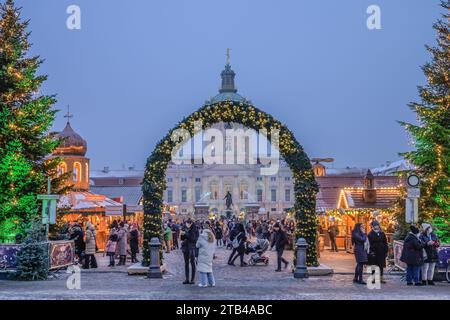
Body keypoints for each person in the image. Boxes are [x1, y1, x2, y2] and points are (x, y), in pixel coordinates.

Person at [180, 219, 199, 284]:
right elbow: (182, 238)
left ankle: (192, 279)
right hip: (185, 247)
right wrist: (182, 234)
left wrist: (186, 234)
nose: (187, 224)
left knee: (193, 263)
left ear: (191, 223)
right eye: (186, 223)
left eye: (188, 223)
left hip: (192, 248)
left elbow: (193, 239)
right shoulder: (184, 228)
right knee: (186, 263)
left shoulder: (195, 229)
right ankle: (187, 279)